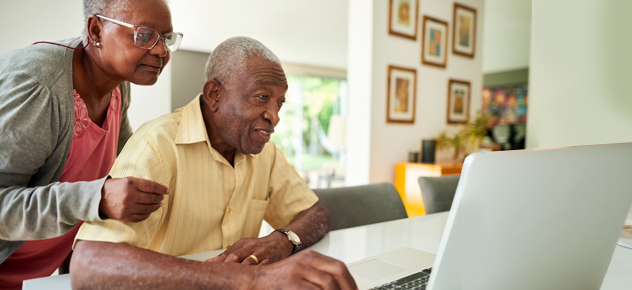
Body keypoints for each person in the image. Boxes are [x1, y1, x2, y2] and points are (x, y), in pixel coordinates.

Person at [70, 36, 357, 290]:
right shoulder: (156, 145)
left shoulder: (264, 152)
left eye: (279, 102)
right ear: (214, 95)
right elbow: (88, 264)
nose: (274, 116)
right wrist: (251, 280)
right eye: (262, 97)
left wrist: (281, 240)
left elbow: (315, 213)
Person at [0, 0, 180, 288]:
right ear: (96, 30)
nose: (161, 51)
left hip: (38, 280)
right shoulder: (38, 87)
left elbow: (122, 168)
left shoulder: (119, 84)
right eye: (144, 35)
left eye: (167, 38)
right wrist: (95, 198)